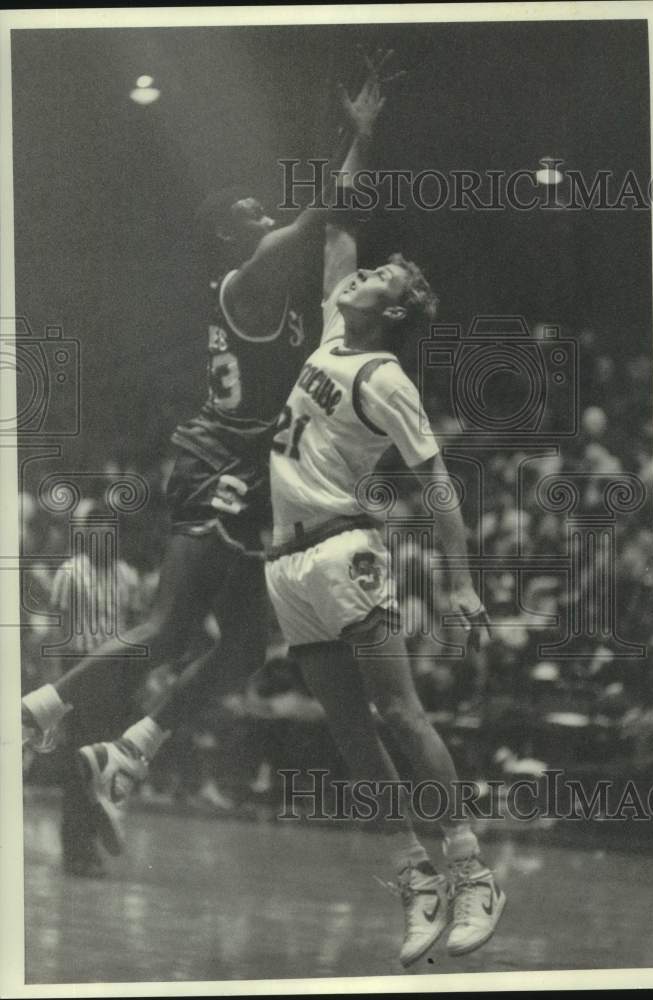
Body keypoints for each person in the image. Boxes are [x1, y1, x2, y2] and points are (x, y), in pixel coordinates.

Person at [21, 55, 391, 857]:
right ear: (229, 232)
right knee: (166, 628)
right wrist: (351, 136)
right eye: (254, 212)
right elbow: (321, 213)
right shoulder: (249, 278)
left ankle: (127, 750)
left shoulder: (283, 298)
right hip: (217, 463)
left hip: (250, 477)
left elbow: (336, 222)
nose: (267, 217)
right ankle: (32, 714)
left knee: (246, 646)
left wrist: (357, 146)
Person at [258, 199, 506, 963]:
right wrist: (359, 140)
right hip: (286, 564)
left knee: (397, 712)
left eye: (378, 276)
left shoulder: (385, 374)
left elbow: (435, 481)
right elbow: (337, 231)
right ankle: (414, 876)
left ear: (391, 308)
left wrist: (459, 580)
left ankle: (470, 872)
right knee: (348, 731)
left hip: (343, 551)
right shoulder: (336, 333)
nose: (359, 274)